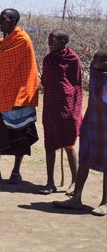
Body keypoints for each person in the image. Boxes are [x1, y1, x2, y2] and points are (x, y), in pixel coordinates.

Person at [0, 8, 39, 184]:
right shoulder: (7, 40)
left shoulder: (22, 40)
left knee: (20, 135)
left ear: (13, 21)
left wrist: (20, 96)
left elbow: (27, 71)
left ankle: (16, 171)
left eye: (3, 19)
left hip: (20, 95)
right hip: (3, 94)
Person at [53, 49, 107, 217]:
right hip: (92, 123)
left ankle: (105, 203)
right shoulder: (94, 73)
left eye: (95, 60)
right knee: (84, 160)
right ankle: (76, 198)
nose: (91, 63)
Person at [38, 30, 83, 195]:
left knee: (69, 144)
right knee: (50, 144)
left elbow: (76, 85)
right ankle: (50, 182)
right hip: (51, 106)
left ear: (63, 42)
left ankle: (74, 183)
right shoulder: (48, 60)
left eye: (53, 40)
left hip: (68, 107)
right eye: (49, 39)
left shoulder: (73, 59)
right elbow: (46, 81)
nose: (49, 43)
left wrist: (74, 108)